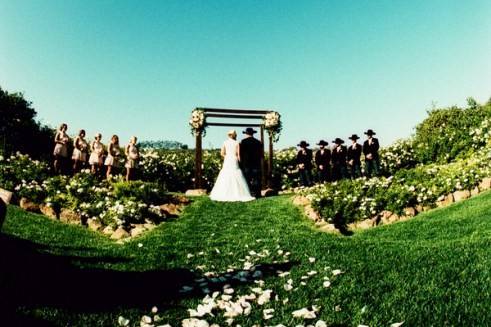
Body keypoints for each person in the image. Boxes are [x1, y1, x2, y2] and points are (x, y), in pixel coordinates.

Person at [210, 130, 255, 202]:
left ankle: (223, 192)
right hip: (234, 159)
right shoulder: (237, 143)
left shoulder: (225, 142)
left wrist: (227, 157)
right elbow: (238, 155)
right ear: (234, 135)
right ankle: (237, 193)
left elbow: (222, 153)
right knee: (236, 174)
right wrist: (240, 162)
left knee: (225, 174)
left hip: (227, 159)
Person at [239, 127, 263, 198]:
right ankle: (257, 194)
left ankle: (248, 193)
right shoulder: (258, 142)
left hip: (246, 163)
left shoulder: (243, 141)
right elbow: (261, 154)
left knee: (247, 179)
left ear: (246, 133)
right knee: (256, 179)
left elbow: (241, 153)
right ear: (253, 133)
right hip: (256, 163)